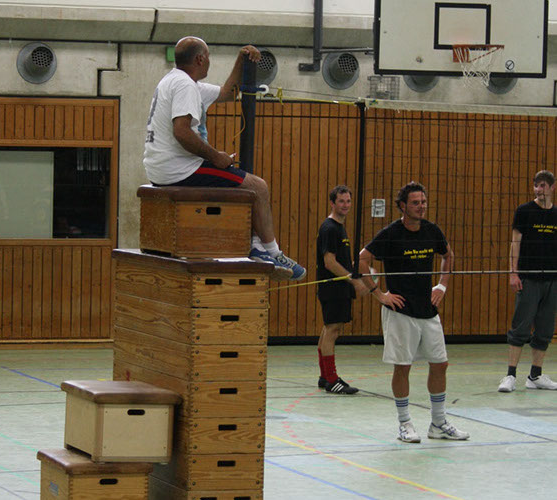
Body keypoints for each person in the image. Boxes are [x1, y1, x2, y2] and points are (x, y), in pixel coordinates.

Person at [143, 36, 305, 281]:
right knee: (257, 187)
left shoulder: (177, 81)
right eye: (208, 57)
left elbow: (229, 92)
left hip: (163, 167)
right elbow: (182, 132)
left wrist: (241, 59)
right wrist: (215, 157)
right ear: (200, 59)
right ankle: (274, 253)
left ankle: (256, 247)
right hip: (178, 169)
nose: (209, 62)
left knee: (239, 182)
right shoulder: (185, 85)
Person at [359, 182, 469, 443]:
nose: (421, 207)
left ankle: (438, 423)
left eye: (423, 202)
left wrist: (442, 285)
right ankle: (405, 423)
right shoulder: (390, 234)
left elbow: (448, 255)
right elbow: (362, 259)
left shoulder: (432, 230)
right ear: (402, 206)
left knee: (440, 364)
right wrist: (380, 294)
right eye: (416, 203)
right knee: (403, 367)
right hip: (400, 311)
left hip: (428, 310)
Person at [498, 170, 557, 392]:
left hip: (552, 279)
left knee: (545, 329)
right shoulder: (524, 211)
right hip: (528, 278)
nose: (539, 190)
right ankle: (510, 375)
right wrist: (513, 273)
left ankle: (535, 376)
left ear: (552, 188)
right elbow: (515, 243)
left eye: (543, 186)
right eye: (536, 185)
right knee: (520, 327)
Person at [316, 185, 368, 394]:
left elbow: (342, 260)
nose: (345, 205)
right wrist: (353, 281)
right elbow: (329, 262)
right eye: (341, 201)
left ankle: (324, 377)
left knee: (329, 328)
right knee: (332, 330)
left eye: (348, 201)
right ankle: (332, 379)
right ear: (332, 203)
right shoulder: (330, 228)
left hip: (338, 287)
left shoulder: (339, 227)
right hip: (333, 288)